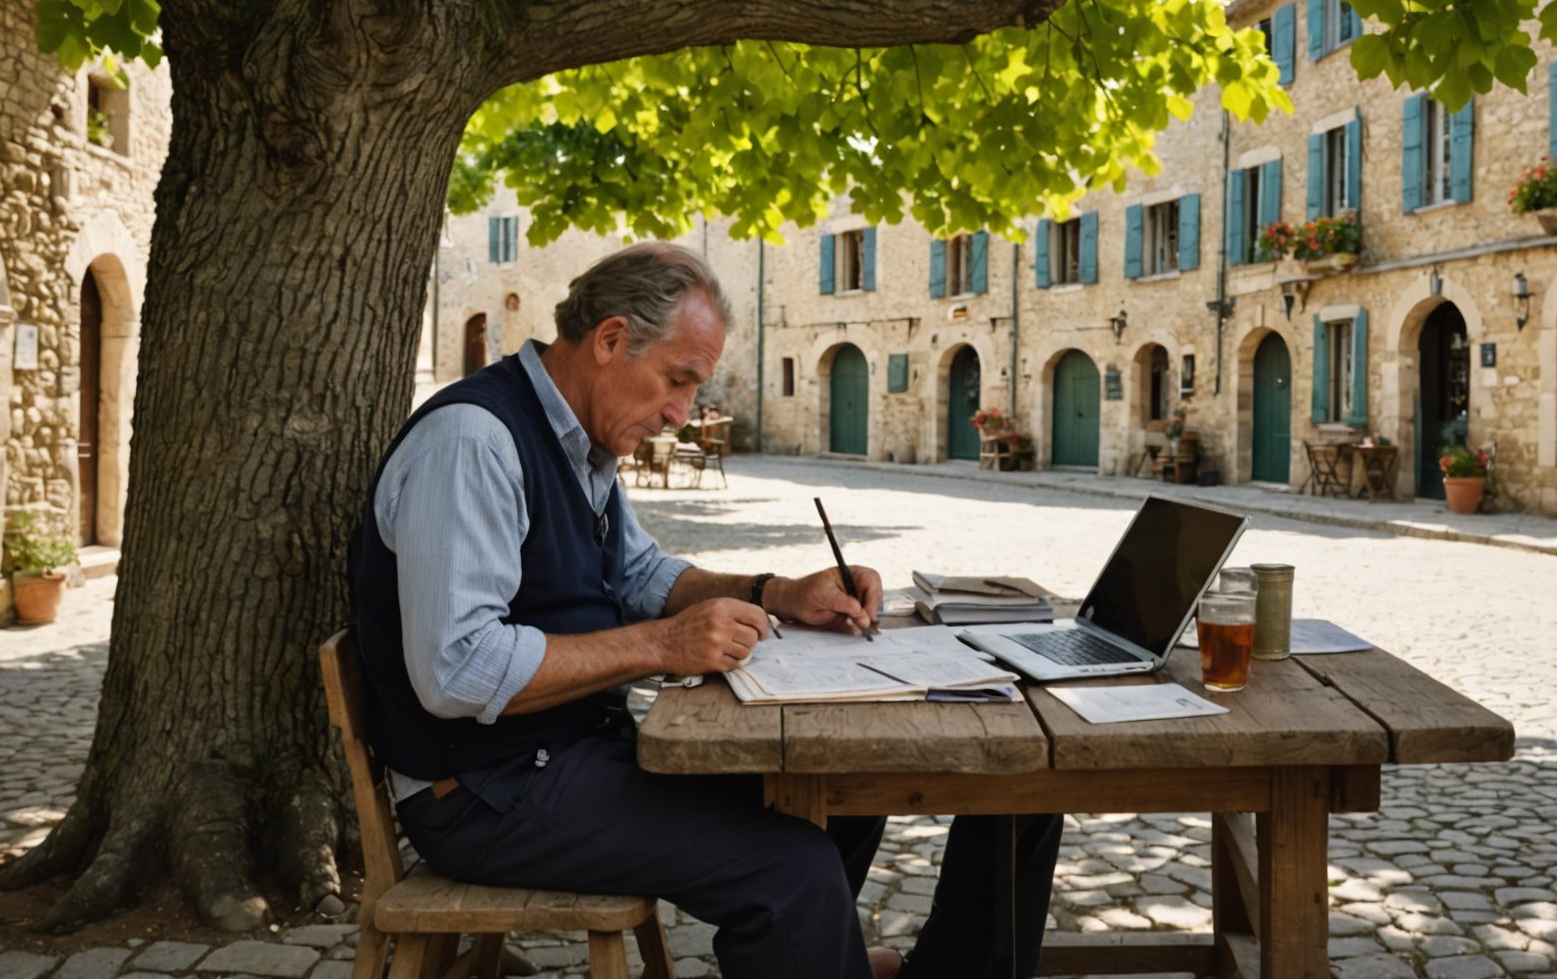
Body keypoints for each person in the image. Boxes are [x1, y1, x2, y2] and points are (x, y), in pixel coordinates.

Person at [351, 242, 1061, 979]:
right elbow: (458, 671)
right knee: (794, 874)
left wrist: (781, 593)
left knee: (849, 787)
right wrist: (663, 645)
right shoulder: (473, 442)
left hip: (565, 752)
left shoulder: (576, 439)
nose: (679, 413)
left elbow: (642, 574)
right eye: (677, 380)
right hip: (484, 792)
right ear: (611, 339)